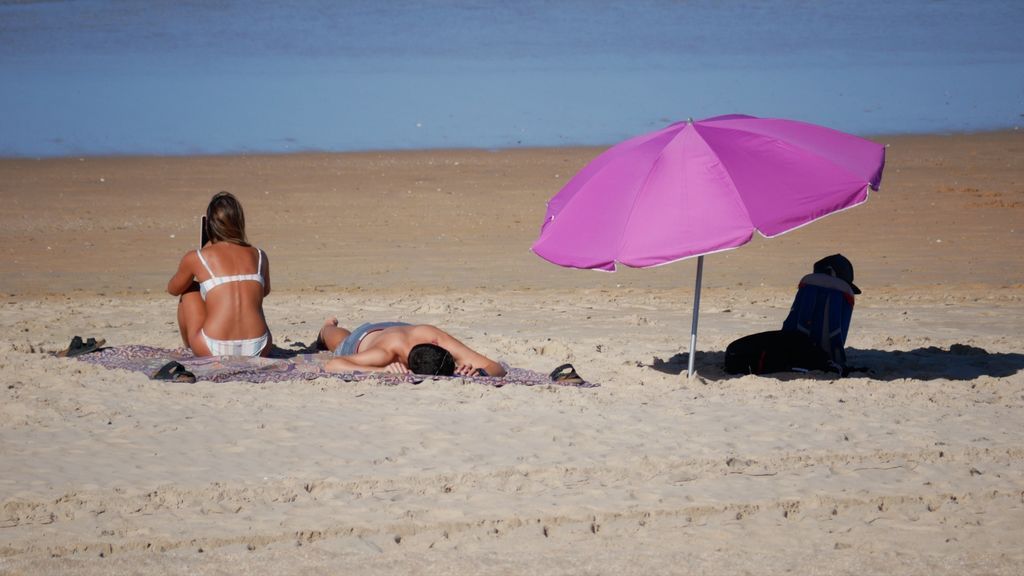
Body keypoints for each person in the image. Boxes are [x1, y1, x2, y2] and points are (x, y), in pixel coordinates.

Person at [167, 191, 273, 357]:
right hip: (259, 346)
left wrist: (203, 254)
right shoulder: (260, 255)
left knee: (189, 289)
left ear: (209, 225)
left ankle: (191, 347)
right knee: (250, 296)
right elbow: (264, 291)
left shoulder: (198, 257)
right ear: (240, 222)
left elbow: (173, 289)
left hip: (213, 347)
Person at [317, 319, 507, 377]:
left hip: (400, 326)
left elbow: (496, 367)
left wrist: (479, 372)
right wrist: (382, 370)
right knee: (336, 339)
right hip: (364, 337)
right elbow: (333, 365)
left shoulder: (434, 337)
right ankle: (327, 327)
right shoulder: (383, 354)